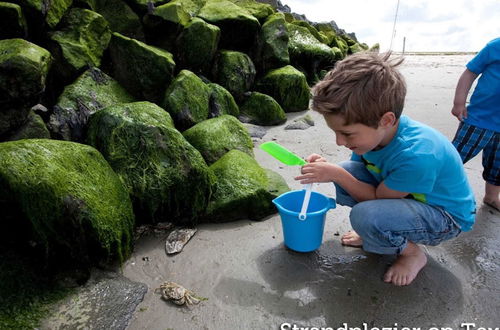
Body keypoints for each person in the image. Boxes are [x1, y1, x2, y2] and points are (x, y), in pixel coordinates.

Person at [295, 52, 476, 286]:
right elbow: (358, 172)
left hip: (446, 217)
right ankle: (380, 230)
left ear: (386, 120)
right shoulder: (374, 135)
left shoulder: (417, 154)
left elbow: (376, 197)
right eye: (336, 132)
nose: (339, 142)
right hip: (409, 197)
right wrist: (328, 168)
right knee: (347, 170)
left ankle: (411, 253)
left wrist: (334, 174)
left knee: (363, 213)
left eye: (347, 133)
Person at [451, 38, 500, 211]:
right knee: (455, 157)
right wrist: (459, 102)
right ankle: (431, 189)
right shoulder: (495, 46)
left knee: (497, 165)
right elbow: (470, 72)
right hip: (479, 118)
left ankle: (492, 197)